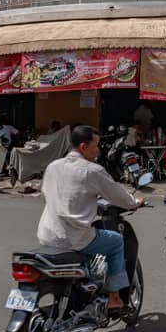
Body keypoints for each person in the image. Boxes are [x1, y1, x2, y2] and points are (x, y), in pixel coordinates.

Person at [37, 125, 144, 312]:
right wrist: (134, 202)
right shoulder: (92, 170)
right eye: (96, 145)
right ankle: (114, 298)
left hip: (46, 234)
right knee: (116, 241)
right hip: (73, 237)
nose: (98, 150)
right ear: (84, 147)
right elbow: (116, 193)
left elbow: (46, 193)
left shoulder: (53, 166)